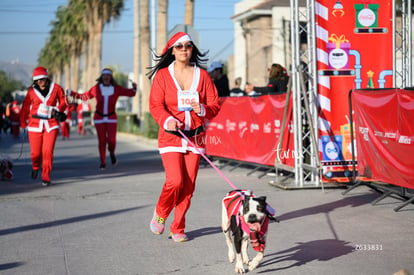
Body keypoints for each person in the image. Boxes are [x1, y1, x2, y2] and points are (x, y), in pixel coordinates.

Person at [147, 32, 220, 242]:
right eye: (179, 46)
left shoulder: (203, 76)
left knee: (188, 186)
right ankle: (160, 213)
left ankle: (178, 227)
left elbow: (215, 105)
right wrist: (167, 120)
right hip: (171, 136)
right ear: (172, 50)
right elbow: (155, 105)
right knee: (175, 181)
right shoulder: (162, 76)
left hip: (196, 137)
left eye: (188, 46)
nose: (184, 49)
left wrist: (203, 109)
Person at [67, 68, 137, 170]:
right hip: (99, 118)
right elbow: (84, 97)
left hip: (111, 117)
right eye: (104, 75)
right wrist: (72, 93)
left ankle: (112, 152)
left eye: (108, 75)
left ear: (110, 77)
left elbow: (130, 93)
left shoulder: (116, 88)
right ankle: (103, 162)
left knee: (112, 140)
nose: (106, 77)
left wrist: (134, 88)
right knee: (102, 141)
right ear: (102, 77)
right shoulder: (96, 89)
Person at [20, 66, 68, 186]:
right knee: (35, 154)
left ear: (46, 78)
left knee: (47, 151)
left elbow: (63, 102)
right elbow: (25, 106)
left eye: (41, 79)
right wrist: (22, 121)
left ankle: (46, 176)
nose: (39, 81)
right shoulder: (31, 91)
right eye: (37, 80)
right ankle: (35, 166)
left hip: (51, 124)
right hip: (34, 124)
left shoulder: (56, 88)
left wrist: (58, 110)